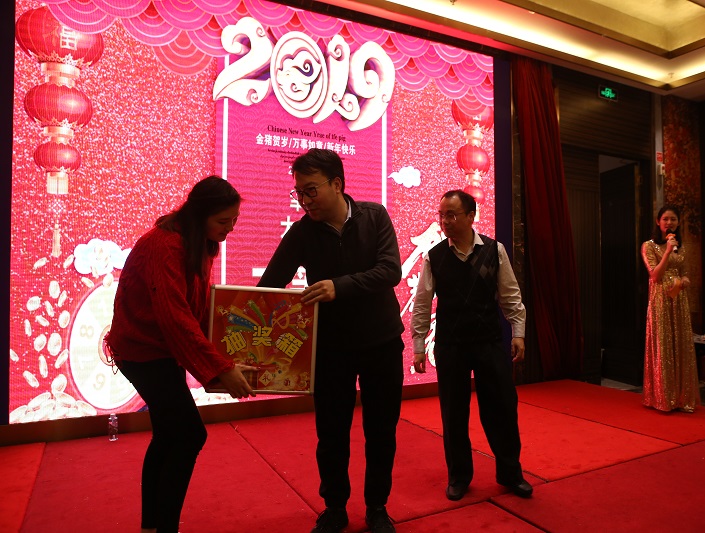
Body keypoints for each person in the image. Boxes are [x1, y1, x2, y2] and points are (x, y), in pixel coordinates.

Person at [258, 149, 404, 533]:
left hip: (381, 342)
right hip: (330, 349)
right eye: (299, 193)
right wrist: (238, 325)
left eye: (311, 190)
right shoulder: (302, 232)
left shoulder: (374, 216)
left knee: (381, 430)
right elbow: (268, 287)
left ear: (337, 184)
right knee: (331, 433)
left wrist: (339, 287)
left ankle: (377, 507)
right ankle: (335, 508)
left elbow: (390, 270)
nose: (304, 201)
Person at [105, 176, 256, 533]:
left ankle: (152, 526)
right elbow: (174, 316)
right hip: (142, 352)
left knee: (169, 436)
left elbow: (197, 308)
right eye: (223, 221)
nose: (230, 228)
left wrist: (226, 357)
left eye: (234, 220)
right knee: (189, 435)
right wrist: (220, 369)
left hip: (162, 351)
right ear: (199, 215)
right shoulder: (165, 244)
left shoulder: (197, 242)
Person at [411, 190, 533, 502]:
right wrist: (418, 345)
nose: (445, 221)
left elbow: (510, 294)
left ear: (470, 216)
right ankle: (459, 477)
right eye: (442, 215)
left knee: (502, 408)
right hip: (451, 345)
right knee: (453, 413)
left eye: (451, 215)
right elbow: (422, 303)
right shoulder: (435, 256)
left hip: (488, 342)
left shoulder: (494, 250)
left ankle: (510, 473)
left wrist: (518, 332)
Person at [641, 205, 699, 413]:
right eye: (665, 219)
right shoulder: (648, 246)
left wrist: (685, 279)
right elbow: (655, 275)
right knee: (663, 345)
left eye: (673, 219)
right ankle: (663, 397)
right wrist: (666, 251)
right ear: (658, 222)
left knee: (680, 344)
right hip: (660, 300)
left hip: (679, 300)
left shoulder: (681, 247)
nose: (669, 223)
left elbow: (684, 271)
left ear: (678, 222)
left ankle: (682, 397)